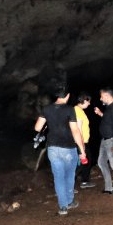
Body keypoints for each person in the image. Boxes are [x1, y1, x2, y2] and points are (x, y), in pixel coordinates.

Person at [34, 83, 86, 216]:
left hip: (52, 148)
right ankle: (69, 201)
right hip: (68, 148)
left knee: (58, 177)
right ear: (67, 96)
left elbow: (37, 128)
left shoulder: (46, 109)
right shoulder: (69, 110)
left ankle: (63, 207)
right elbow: (75, 131)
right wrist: (82, 150)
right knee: (69, 176)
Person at [74, 93, 95, 189]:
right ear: (84, 100)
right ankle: (69, 185)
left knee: (87, 161)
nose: (89, 104)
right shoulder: (77, 111)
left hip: (83, 141)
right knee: (81, 163)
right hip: (80, 142)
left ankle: (84, 181)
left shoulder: (80, 111)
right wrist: (81, 146)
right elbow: (78, 129)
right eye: (88, 101)